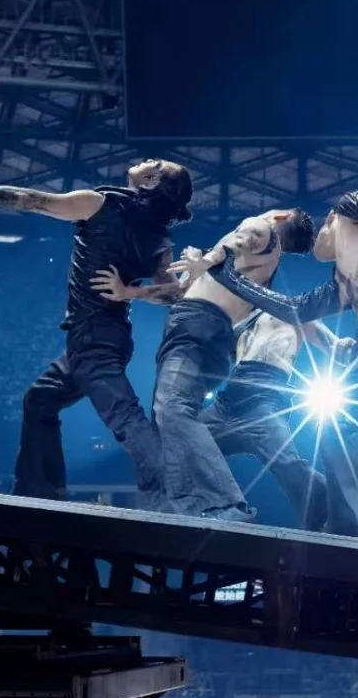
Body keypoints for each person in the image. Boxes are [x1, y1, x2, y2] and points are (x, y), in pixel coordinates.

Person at [178, 173, 358, 546]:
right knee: (336, 434)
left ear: (333, 220)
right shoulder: (348, 272)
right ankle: (341, 526)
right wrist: (227, 278)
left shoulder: (350, 216)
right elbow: (296, 308)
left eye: (321, 230)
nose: (317, 240)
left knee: (344, 430)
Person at [0, 160, 194, 506]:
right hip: (103, 339)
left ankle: (184, 492)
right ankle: (42, 495)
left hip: (94, 341)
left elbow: (32, 200)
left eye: (154, 164)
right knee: (39, 399)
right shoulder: (159, 237)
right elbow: (174, 292)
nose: (145, 161)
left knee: (125, 417)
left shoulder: (99, 203)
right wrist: (130, 292)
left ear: (150, 181)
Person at [94, 208, 317, 520]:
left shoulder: (262, 228)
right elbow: (181, 292)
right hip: (201, 329)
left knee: (173, 408)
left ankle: (224, 504)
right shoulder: (260, 265)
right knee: (168, 426)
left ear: (281, 217)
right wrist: (130, 292)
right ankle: (170, 508)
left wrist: (207, 259)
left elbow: (240, 239)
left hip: (200, 326)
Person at [199, 310, 338, 531]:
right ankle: (220, 507)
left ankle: (332, 515)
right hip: (226, 403)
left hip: (263, 403)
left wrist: (335, 345)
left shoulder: (284, 310)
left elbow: (311, 322)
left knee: (288, 463)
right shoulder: (241, 323)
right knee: (184, 444)